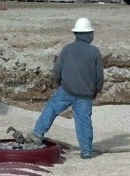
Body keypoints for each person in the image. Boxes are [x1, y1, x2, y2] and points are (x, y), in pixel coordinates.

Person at [26, 17, 104, 159]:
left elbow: (57, 71)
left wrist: (61, 84)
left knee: (51, 109)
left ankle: (37, 134)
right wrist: (96, 91)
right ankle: (86, 151)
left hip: (66, 90)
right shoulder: (94, 52)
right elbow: (99, 76)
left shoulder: (67, 49)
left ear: (76, 34)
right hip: (85, 96)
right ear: (88, 34)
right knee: (84, 123)